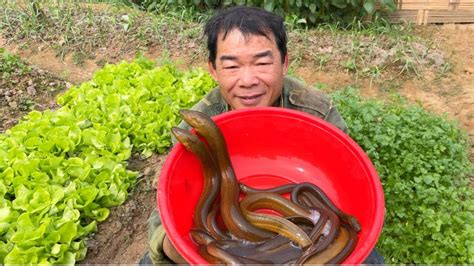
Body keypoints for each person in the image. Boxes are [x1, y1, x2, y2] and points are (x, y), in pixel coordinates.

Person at [141, 6, 384, 264]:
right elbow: (168, 206)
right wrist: (172, 247)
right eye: (232, 66)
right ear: (213, 70)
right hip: (232, 241)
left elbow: (349, 186)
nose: (248, 80)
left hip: (305, 232)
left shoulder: (317, 113)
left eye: (262, 62)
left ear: (284, 63)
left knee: (367, 258)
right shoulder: (200, 125)